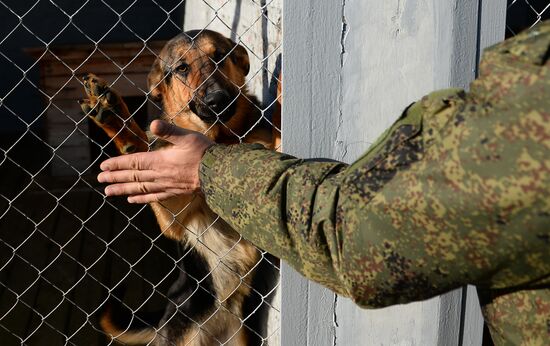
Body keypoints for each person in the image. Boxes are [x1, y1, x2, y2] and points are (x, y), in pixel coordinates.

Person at [97, 23, 550, 345]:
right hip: (194, 302)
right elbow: (174, 219)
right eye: (183, 71)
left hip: (243, 303)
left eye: (217, 62)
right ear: (162, 91)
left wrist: (276, 117)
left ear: (240, 65)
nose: (205, 78)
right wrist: (136, 143)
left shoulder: (258, 125)